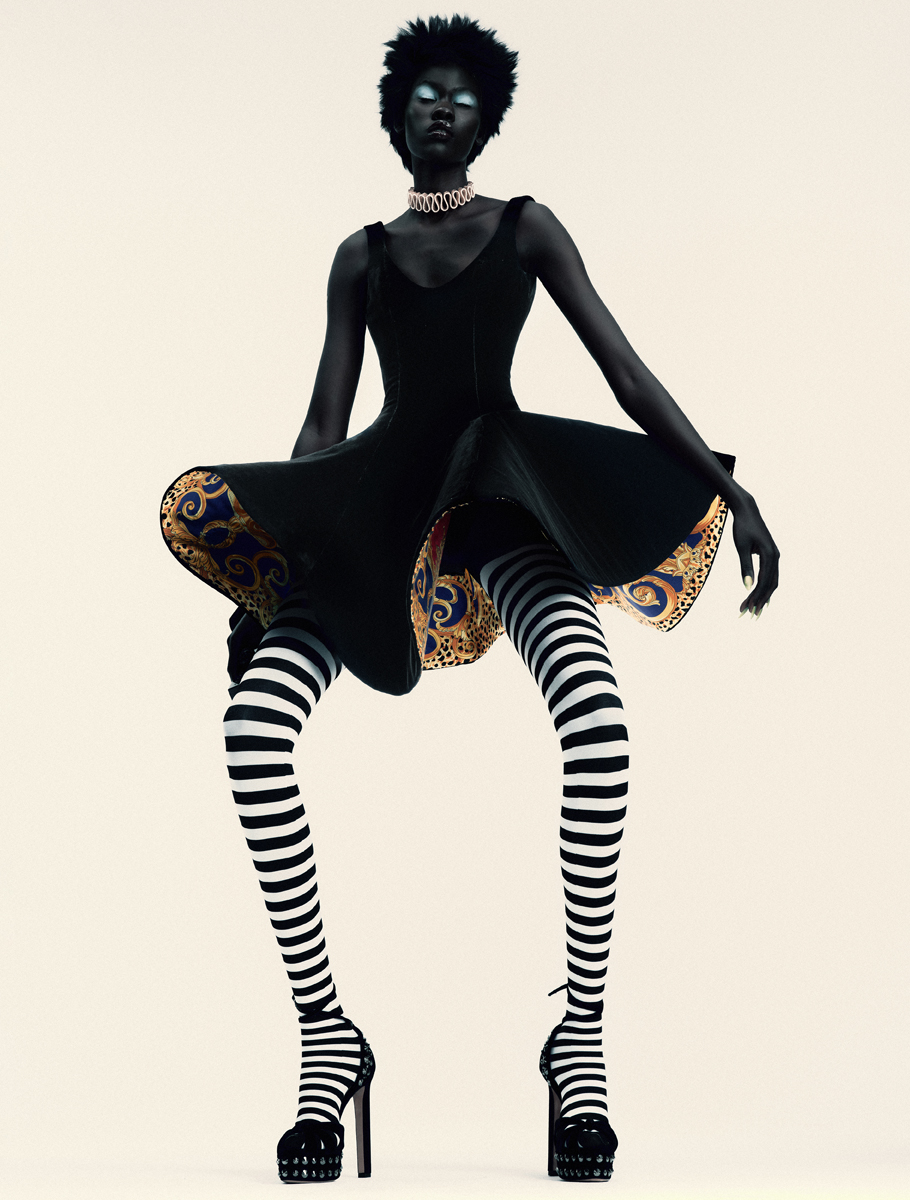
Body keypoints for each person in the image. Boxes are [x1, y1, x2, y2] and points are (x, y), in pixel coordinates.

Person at [160, 14, 779, 1186]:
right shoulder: (360, 257)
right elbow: (323, 425)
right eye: (423, 94)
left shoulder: (526, 226)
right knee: (251, 732)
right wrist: (266, 579)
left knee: (596, 721)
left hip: (505, 497)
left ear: (486, 120)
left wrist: (725, 489)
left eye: (461, 97)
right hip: (378, 507)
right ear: (396, 115)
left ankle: (578, 1041)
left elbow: (622, 369)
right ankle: (326, 1042)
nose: (440, 108)